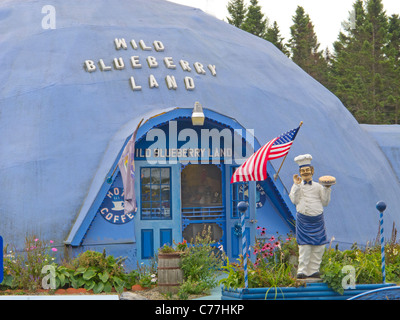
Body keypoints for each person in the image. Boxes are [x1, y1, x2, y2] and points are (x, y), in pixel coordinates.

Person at [289, 154, 332, 279]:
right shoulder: (297, 186)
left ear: (312, 171)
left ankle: (314, 270)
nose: (305, 173)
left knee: (319, 246)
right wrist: (296, 186)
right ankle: (302, 271)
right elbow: (293, 199)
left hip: (317, 219)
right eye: (303, 171)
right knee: (305, 247)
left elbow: (325, 202)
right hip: (304, 219)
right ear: (300, 172)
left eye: (307, 170)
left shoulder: (319, 186)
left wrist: (327, 189)